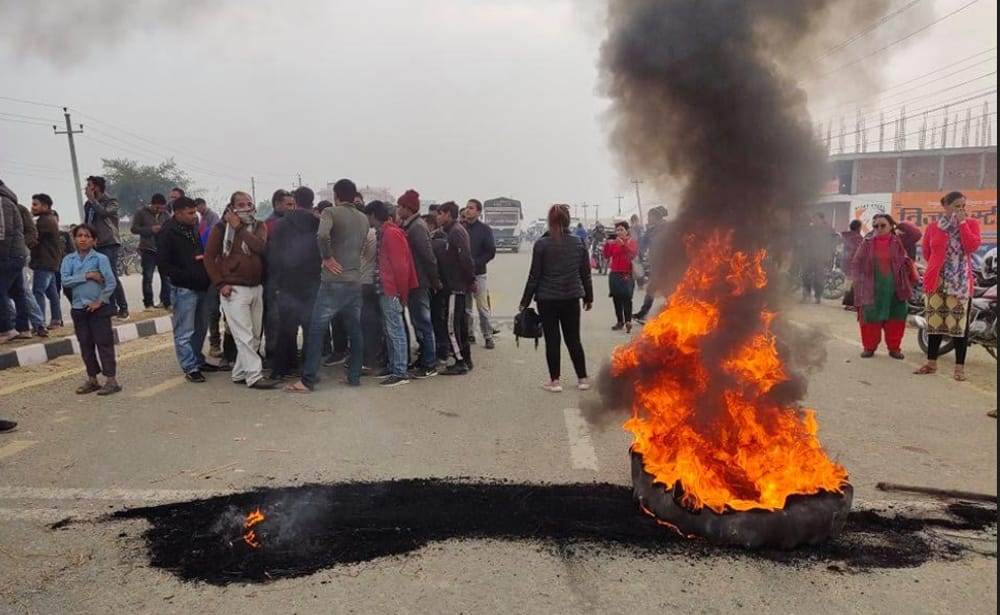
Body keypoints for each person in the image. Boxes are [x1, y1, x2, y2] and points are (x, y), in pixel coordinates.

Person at [286, 179, 370, 392]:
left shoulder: (330, 213)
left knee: (316, 329)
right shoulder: (363, 218)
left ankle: (307, 380)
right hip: (354, 280)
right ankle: (353, 376)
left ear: (336, 195)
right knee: (354, 330)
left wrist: (327, 257)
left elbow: (322, 235)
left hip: (333, 281)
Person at [204, 191, 278, 390]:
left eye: (248, 203)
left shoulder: (259, 226)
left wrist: (240, 228)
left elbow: (260, 248)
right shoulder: (220, 228)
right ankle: (254, 376)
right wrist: (220, 284)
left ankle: (239, 373)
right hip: (233, 289)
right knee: (244, 335)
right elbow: (209, 258)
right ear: (232, 207)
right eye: (241, 204)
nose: (246, 207)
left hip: (256, 287)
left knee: (254, 336)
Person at [521, 204, 593, 392]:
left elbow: (534, 276)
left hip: (547, 300)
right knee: (574, 339)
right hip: (571, 298)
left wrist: (525, 302)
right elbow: (585, 273)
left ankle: (555, 381)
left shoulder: (542, 244)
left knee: (552, 340)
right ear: (568, 221)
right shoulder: (578, 243)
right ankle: (583, 378)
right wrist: (589, 297)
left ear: (550, 221)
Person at [914, 191, 982, 381]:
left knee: (959, 326)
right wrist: (940, 268)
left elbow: (972, 247)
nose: (960, 209)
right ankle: (931, 363)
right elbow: (927, 252)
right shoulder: (934, 227)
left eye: (963, 206)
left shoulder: (971, 224)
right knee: (934, 323)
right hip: (937, 279)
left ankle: (959, 368)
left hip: (960, 282)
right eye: (956, 206)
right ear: (946, 206)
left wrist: (962, 224)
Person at [157, 197, 220, 383]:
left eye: (195, 212)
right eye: (190, 213)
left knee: (200, 328)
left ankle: (198, 360)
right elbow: (163, 264)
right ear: (178, 213)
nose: (195, 216)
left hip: (202, 286)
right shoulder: (167, 232)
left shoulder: (193, 228)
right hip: (184, 288)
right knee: (184, 330)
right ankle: (189, 366)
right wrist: (184, 276)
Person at [267, 186, 321, 380]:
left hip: (288, 284)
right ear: (312, 202)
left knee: (286, 328)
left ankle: (281, 369)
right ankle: (309, 370)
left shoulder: (281, 224)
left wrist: (275, 284)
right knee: (310, 328)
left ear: (296, 201)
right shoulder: (318, 223)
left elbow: (274, 256)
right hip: (312, 283)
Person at [60, 224, 121, 395]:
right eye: (79, 235)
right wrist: (87, 276)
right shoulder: (68, 260)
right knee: (85, 344)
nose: (83, 239)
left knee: (104, 343)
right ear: (74, 239)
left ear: (94, 240)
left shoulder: (100, 259)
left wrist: (99, 301)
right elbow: (65, 281)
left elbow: (110, 283)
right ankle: (92, 379)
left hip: (98, 308)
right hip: (78, 307)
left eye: (87, 236)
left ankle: (111, 380)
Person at [367, 200, 419, 387]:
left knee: (395, 330)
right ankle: (393, 366)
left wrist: (402, 295)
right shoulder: (386, 232)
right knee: (390, 330)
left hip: (391, 291)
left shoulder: (391, 233)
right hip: (386, 289)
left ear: (373, 215)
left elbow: (401, 267)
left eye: (368, 216)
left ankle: (400, 371)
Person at [850, 214, 913, 359]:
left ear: (891, 226)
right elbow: (856, 263)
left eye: (883, 225)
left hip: (896, 288)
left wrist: (899, 224)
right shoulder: (867, 243)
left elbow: (915, 234)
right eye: (875, 226)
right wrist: (859, 281)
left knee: (896, 319)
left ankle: (894, 348)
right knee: (870, 319)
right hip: (871, 289)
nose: (878, 228)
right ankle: (869, 347)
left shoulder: (899, 241)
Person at [396, 189, 441, 378]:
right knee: (417, 322)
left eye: (400, 206)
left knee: (423, 323)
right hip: (413, 282)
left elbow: (428, 257)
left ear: (408, 208)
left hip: (420, 282)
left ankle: (430, 364)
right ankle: (424, 358)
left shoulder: (417, 228)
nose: (398, 210)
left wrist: (434, 280)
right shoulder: (410, 225)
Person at [437, 201, 476, 374]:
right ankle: (466, 359)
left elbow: (466, 259)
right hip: (454, 285)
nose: (438, 217)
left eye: (440, 213)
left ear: (448, 214)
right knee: (459, 324)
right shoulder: (449, 231)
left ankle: (460, 362)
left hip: (456, 286)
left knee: (451, 325)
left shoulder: (456, 232)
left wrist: (471, 280)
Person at [83, 175, 128, 319]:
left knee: (111, 276)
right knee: (100, 278)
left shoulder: (111, 201)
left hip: (109, 242)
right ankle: (111, 308)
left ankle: (123, 308)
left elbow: (104, 213)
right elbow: (88, 223)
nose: (86, 188)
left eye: (89, 185)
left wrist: (92, 200)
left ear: (95, 187)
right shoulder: (88, 205)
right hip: (95, 245)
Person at [0, 179, 31, 344]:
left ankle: (6, 329)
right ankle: (23, 328)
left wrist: (3, 256)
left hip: (9, 255)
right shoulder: (8, 200)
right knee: (18, 292)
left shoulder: (2, 201)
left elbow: (5, 232)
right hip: (16, 254)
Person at [463, 199, 497, 349]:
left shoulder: (485, 230)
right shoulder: (460, 228)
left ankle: (488, 335)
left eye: (471, 208)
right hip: (462, 274)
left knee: (482, 308)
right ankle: (469, 334)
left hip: (479, 274)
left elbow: (491, 251)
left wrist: (476, 263)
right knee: (466, 308)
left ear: (478, 212)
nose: (467, 210)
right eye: (466, 207)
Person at [131, 193, 172, 310]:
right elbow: (134, 229)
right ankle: (148, 303)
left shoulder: (166, 214)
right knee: (148, 277)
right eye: (157, 207)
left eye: (162, 208)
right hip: (148, 249)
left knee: (166, 277)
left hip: (163, 249)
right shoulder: (141, 213)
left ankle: (166, 301)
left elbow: (170, 229)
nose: (159, 210)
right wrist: (150, 230)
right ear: (152, 204)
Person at [29, 193, 64, 330]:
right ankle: (56, 319)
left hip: (44, 262)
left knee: (38, 292)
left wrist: (28, 220)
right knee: (52, 293)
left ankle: (40, 323)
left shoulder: (45, 221)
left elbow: (33, 238)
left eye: (35, 204)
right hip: (50, 262)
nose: (32, 207)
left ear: (45, 206)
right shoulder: (49, 219)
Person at [195, 198, 222, 356]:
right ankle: (214, 344)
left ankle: (224, 346)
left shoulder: (213, 220)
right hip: (212, 273)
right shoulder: (203, 221)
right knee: (213, 310)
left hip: (225, 275)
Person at [425, 207, 452, 364]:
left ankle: (442, 351)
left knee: (438, 319)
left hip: (438, 286)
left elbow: (435, 265)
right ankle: (443, 349)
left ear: (430, 226)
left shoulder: (435, 243)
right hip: (443, 285)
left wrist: (436, 282)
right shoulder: (443, 240)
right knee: (440, 318)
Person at [634, 206, 668, 323]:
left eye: (649, 216)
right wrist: (639, 254)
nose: (648, 218)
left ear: (655, 217)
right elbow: (643, 243)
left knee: (664, 289)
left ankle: (644, 313)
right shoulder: (651, 229)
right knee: (653, 289)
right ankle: (643, 313)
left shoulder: (665, 228)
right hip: (656, 263)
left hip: (665, 264)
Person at [604, 221, 638, 332]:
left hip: (626, 273)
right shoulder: (613, 243)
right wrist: (607, 244)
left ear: (627, 231)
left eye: (621, 230)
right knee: (616, 298)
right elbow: (607, 255)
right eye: (617, 230)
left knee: (627, 298)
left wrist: (623, 245)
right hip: (614, 273)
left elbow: (632, 254)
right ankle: (620, 321)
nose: (619, 232)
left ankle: (628, 321)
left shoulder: (631, 242)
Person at [839, 219, 864, 309]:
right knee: (853, 285)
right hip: (853, 264)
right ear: (858, 228)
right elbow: (858, 251)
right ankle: (850, 304)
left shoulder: (845, 236)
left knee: (848, 283)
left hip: (845, 262)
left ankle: (847, 303)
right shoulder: (857, 238)